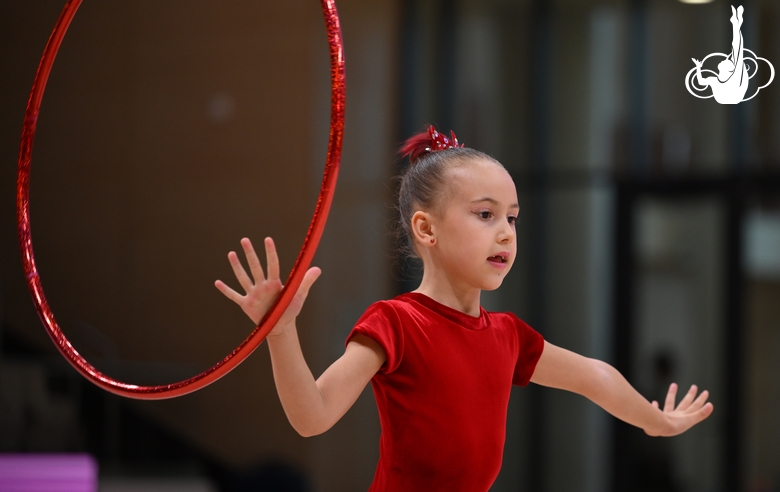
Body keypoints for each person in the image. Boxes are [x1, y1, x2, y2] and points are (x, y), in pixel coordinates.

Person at [214, 126, 713, 491]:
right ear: (426, 229)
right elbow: (313, 416)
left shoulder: (508, 335)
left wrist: (653, 420)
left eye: (512, 219)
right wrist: (280, 334)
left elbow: (594, 377)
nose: (505, 233)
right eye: (485, 214)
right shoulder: (396, 323)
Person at [692, 5, 748, 104]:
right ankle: (736, 23)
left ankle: (736, 23)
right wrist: (698, 67)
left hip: (733, 97)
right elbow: (701, 82)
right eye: (728, 60)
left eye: (727, 61)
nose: (725, 59)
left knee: (737, 50)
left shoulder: (734, 78)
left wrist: (736, 26)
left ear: (729, 69)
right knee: (736, 51)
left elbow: (737, 49)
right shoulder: (714, 80)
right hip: (727, 97)